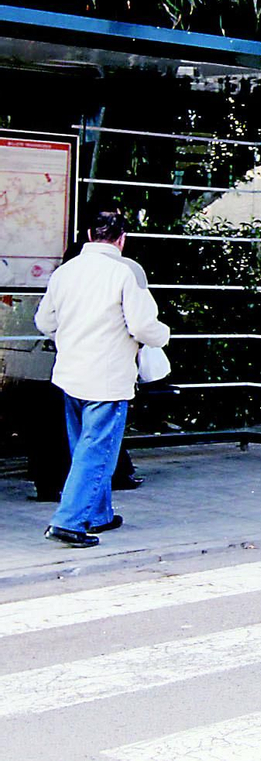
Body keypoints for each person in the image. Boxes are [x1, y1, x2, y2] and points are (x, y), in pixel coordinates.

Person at [35, 210, 170, 548]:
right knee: (98, 453)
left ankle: (99, 515)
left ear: (90, 236)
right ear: (122, 239)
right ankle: (68, 522)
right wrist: (163, 335)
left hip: (69, 374)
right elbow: (142, 326)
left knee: (82, 447)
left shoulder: (64, 273)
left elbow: (44, 321)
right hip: (107, 379)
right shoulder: (122, 273)